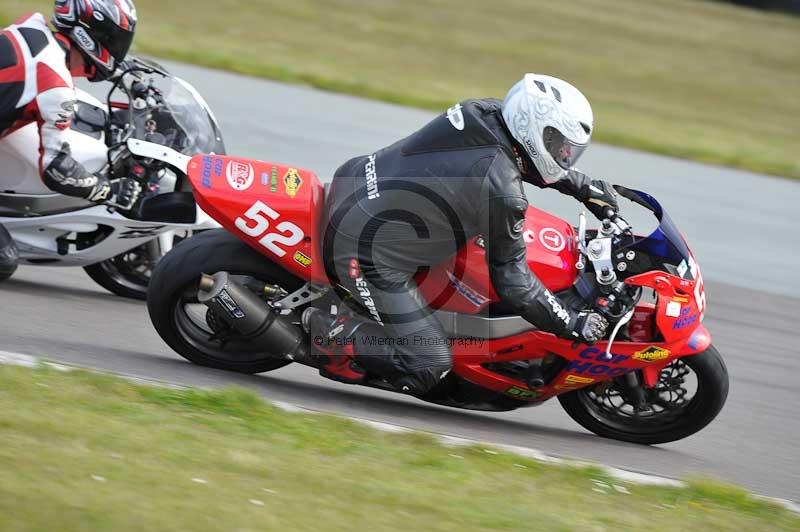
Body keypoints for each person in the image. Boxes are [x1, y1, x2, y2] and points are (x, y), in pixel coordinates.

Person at [304, 73, 617, 396]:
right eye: (559, 146)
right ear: (533, 130)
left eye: (569, 151)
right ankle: (331, 334)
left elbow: (519, 158)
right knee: (429, 364)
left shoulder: (482, 111)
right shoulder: (503, 193)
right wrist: (569, 322)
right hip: (363, 250)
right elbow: (513, 282)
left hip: (356, 181)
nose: (564, 156)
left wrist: (583, 186)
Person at [0, 0, 140, 273]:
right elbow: (57, 170)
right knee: (4, 260)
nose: (118, 49)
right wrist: (109, 191)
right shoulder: (55, 88)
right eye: (115, 40)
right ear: (91, 35)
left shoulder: (31, 26)